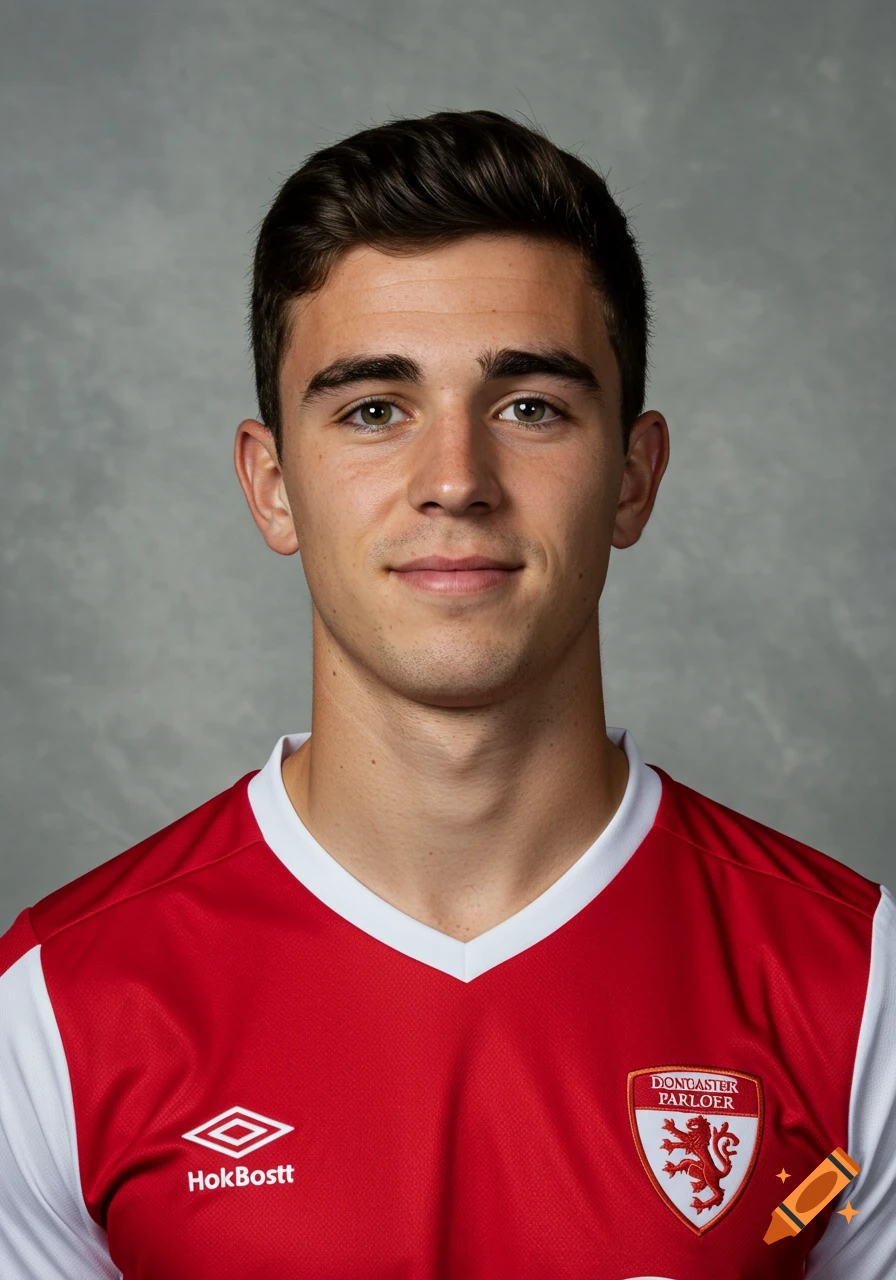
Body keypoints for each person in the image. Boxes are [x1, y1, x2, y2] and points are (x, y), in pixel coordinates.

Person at [0, 109, 893, 1280]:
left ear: (631, 477)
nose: (456, 480)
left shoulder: (853, 981)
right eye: (373, 408)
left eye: (530, 406)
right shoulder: (62, 1003)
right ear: (272, 486)